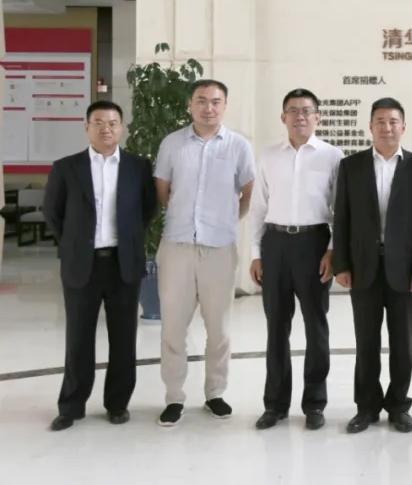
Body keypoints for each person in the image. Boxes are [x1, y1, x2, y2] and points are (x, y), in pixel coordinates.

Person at [42, 101, 157, 431]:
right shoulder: (66, 167)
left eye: (113, 122)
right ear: (87, 128)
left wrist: (128, 239)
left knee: (124, 338)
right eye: (99, 122)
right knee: (78, 337)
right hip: (83, 264)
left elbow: (148, 208)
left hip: (123, 263)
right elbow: (53, 212)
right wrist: (76, 243)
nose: (106, 128)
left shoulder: (137, 166)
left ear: (121, 127)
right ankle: (71, 406)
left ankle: (117, 403)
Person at [153, 79, 256, 427]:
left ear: (224, 106)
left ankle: (215, 393)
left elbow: (249, 193)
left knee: (219, 328)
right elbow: (163, 190)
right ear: (190, 105)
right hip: (177, 246)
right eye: (201, 101)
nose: (208, 108)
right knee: (172, 328)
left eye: (215, 101)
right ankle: (174, 397)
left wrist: (224, 222)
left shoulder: (239, 146)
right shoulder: (172, 143)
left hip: (219, 249)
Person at [333, 97, 412, 434]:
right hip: (363, 266)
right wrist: (341, 264)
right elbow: (342, 219)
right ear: (370, 126)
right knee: (366, 343)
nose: (387, 127)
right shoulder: (351, 166)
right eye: (380, 121)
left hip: (404, 270)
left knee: (402, 343)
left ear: (403, 127)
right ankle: (366, 408)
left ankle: (398, 406)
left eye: (393, 121)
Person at [248, 89, 343, 431]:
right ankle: (275, 405)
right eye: (293, 110)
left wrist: (332, 250)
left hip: (314, 244)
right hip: (275, 244)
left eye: (306, 111)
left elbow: (340, 210)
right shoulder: (269, 155)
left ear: (317, 117)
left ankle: (315, 403)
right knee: (276, 327)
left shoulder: (333, 156)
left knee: (316, 327)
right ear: (283, 117)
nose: (300, 116)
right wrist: (256, 253)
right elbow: (257, 207)